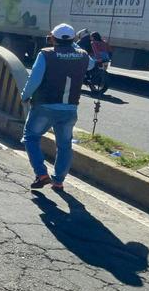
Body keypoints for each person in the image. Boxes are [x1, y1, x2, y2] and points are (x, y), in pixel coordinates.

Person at [20, 23, 95, 192]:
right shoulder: (83, 56)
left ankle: (41, 174)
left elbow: (34, 79)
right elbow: (91, 64)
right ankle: (58, 181)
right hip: (69, 109)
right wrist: (74, 45)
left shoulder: (46, 54)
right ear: (73, 39)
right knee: (64, 145)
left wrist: (25, 96)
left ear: (53, 38)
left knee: (31, 137)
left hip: (44, 106)